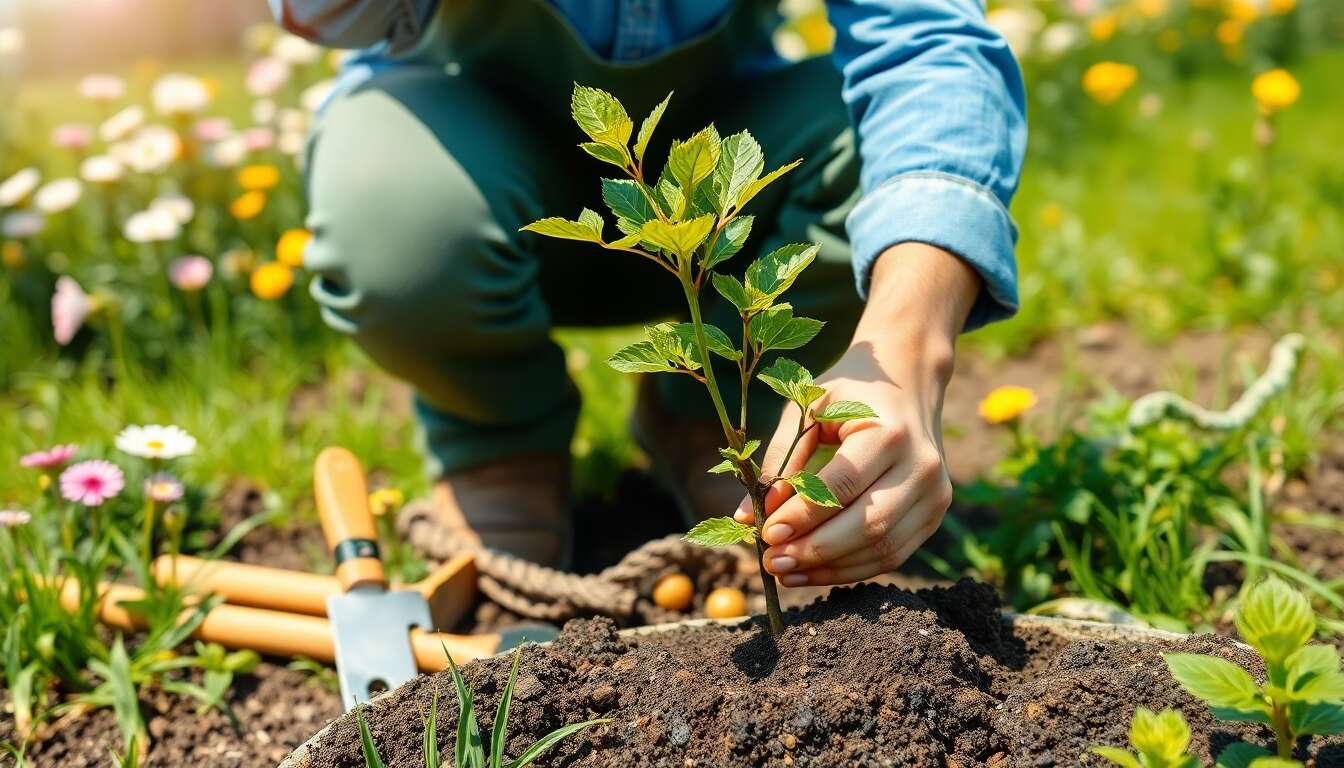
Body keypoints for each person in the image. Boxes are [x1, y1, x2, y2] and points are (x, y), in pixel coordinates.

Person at [271, 0, 1027, 587]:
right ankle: (499, 441)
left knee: (872, 144)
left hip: (716, 185)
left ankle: (715, 419)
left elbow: (931, 46)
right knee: (395, 217)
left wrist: (902, 353)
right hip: (464, 169)